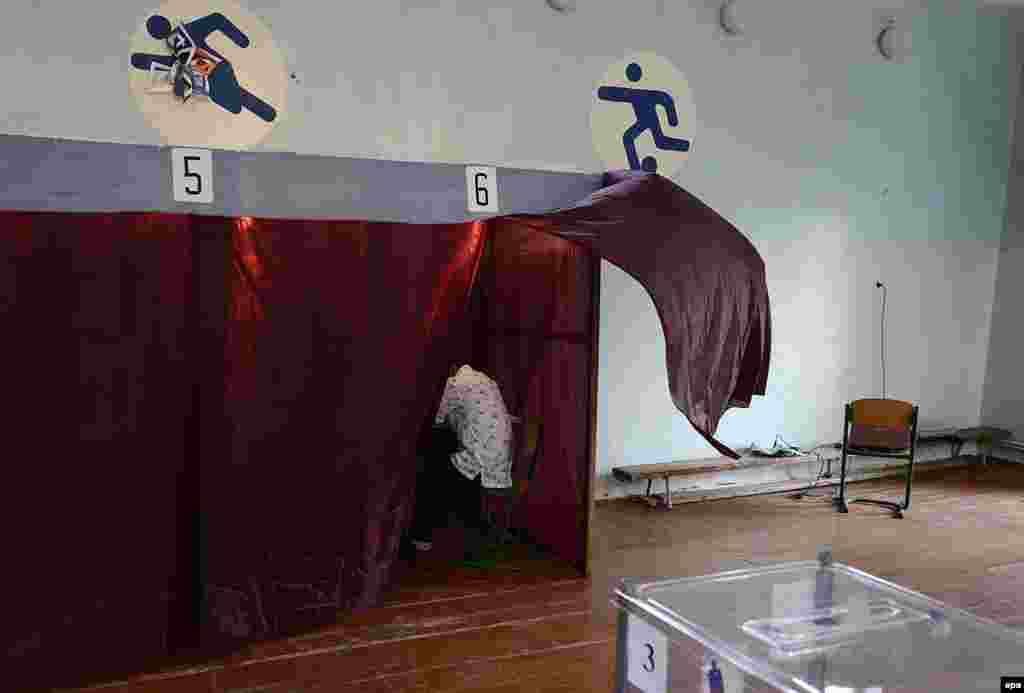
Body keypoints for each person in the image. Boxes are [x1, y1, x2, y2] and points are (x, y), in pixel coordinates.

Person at [407, 364, 514, 553]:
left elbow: (437, 418)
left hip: (479, 453)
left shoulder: (454, 384)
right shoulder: (488, 381)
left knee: (433, 478)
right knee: (458, 469)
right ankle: (471, 525)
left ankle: (421, 537)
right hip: (501, 454)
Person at [596, 62, 691, 173]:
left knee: (653, 141)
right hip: (644, 122)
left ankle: (636, 169)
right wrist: (672, 119)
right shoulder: (639, 95)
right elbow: (666, 99)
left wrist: (672, 119)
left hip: (649, 121)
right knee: (648, 140)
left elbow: (665, 99)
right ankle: (636, 169)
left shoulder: (641, 95)